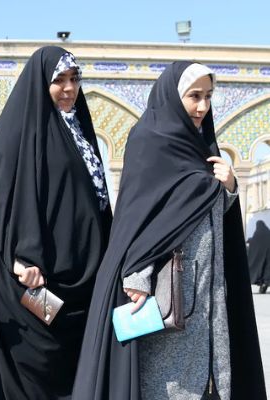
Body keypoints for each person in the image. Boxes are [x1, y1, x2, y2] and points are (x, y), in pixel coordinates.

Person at [72, 62, 266, 399]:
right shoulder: (150, 140)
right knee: (168, 385)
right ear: (175, 97)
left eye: (208, 96)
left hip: (209, 299)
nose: (203, 106)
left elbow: (209, 215)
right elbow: (139, 215)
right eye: (194, 96)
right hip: (167, 298)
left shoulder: (205, 148)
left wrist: (230, 187)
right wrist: (137, 274)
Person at [0, 46, 112, 399]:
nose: (69, 89)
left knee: (78, 371)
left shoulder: (78, 132)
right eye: (59, 81)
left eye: (74, 79)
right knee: (39, 368)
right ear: (41, 84)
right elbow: (4, 201)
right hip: (38, 278)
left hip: (84, 277)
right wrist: (21, 254)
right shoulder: (18, 137)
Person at [248, 220, 270, 293]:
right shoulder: (268, 233)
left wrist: (249, 240)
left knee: (259, 267)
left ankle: (262, 283)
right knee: (267, 269)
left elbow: (255, 242)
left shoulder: (257, 233)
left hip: (260, 257)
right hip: (268, 256)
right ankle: (265, 283)